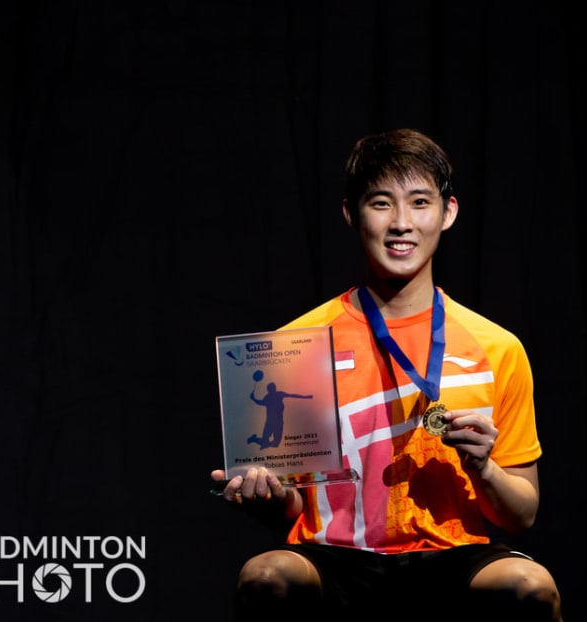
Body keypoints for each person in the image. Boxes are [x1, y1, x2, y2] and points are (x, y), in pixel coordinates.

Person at [212, 128, 563, 621]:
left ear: (448, 213)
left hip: (453, 557)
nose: (402, 223)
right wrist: (265, 494)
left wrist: (483, 467)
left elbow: (521, 514)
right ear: (351, 214)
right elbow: (292, 508)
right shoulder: (298, 342)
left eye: (420, 202)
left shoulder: (496, 347)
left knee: (530, 587)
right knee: (266, 577)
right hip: (333, 558)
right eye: (381, 204)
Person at [247, 381, 313, 449]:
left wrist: (253, 399)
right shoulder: (272, 396)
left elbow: (260, 403)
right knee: (273, 443)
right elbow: (292, 395)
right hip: (272, 421)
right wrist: (306, 397)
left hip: (276, 422)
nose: (271, 390)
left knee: (274, 443)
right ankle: (260, 442)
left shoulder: (273, 396)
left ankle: (260, 442)